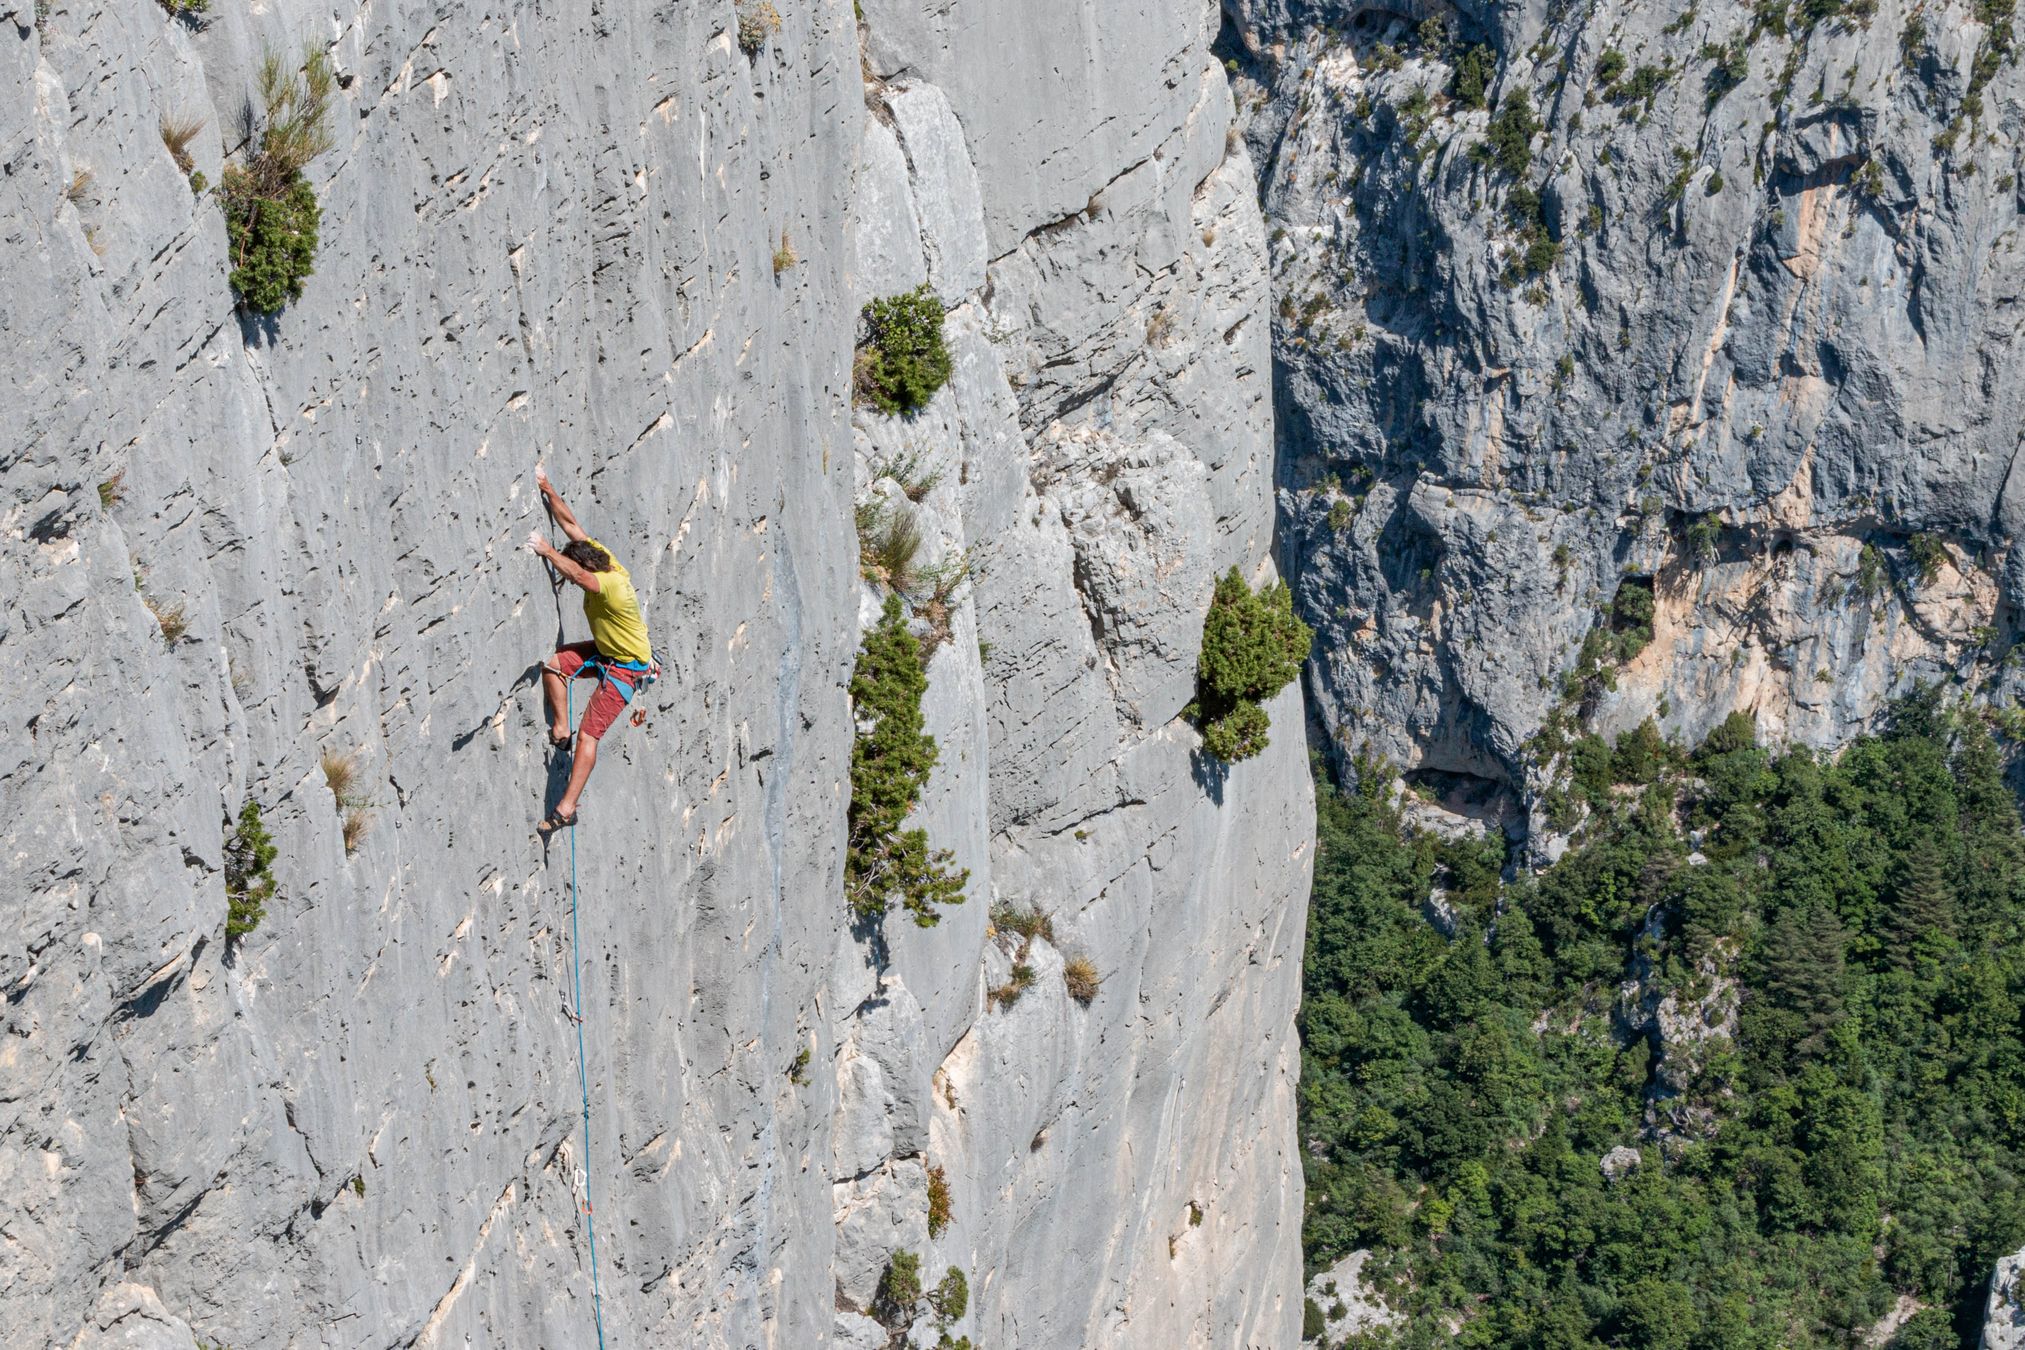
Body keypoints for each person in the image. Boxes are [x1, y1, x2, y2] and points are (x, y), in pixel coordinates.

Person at [525, 466, 657, 833]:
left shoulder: (610, 583)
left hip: (627, 668)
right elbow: (573, 526)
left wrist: (546, 551)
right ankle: (560, 730)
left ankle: (566, 809)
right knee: (555, 665)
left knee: (590, 735)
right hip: (608, 651)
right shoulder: (601, 555)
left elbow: (579, 577)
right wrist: (547, 487)